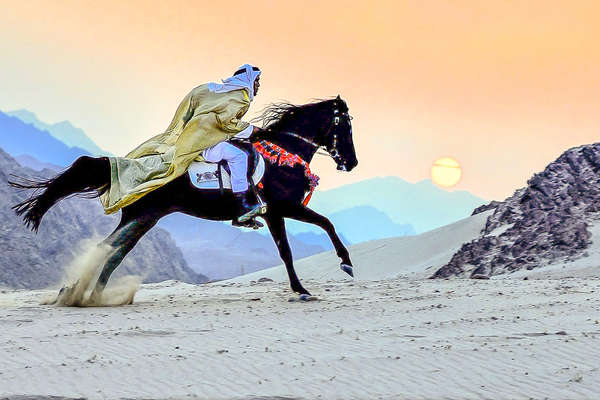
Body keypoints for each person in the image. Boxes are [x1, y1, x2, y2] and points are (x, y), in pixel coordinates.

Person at [100, 64, 265, 221]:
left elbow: (192, 103)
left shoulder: (211, 89)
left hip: (187, 138)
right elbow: (226, 122)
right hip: (205, 144)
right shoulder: (241, 98)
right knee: (239, 156)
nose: (258, 85)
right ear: (249, 80)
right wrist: (252, 130)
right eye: (257, 81)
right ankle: (242, 204)